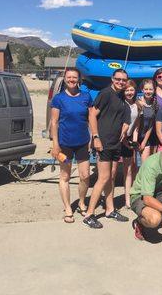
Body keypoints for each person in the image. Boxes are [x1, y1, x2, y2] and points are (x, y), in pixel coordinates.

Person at [83, 69, 131, 229]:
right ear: (112, 79)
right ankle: (89, 214)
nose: (121, 82)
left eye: (124, 80)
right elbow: (91, 114)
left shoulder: (121, 97)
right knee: (103, 178)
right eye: (118, 79)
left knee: (110, 177)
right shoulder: (106, 93)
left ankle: (110, 209)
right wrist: (95, 137)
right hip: (103, 142)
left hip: (115, 144)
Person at [50, 67, 93, 223]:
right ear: (65, 79)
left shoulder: (86, 97)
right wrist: (55, 144)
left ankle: (81, 201)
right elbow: (54, 122)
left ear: (79, 79)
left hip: (82, 143)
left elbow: (91, 119)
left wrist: (93, 137)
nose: (72, 80)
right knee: (65, 176)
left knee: (85, 175)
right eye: (69, 77)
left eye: (75, 77)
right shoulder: (59, 99)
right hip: (65, 145)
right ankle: (68, 208)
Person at [111, 79, 140, 210]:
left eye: (131, 90)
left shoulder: (137, 105)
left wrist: (133, 142)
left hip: (128, 139)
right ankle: (109, 199)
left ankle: (127, 198)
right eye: (127, 90)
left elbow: (136, 125)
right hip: (117, 139)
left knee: (128, 171)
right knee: (113, 171)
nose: (129, 92)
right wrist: (123, 141)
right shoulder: (120, 103)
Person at [137, 79, 159, 161]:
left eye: (150, 89)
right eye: (146, 89)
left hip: (147, 137)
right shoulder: (137, 102)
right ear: (142, 90)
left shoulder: (155, 104)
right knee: (132, 165)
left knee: (147, 164)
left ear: (154, 90)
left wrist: (144, 141)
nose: (148, 91)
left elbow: (151, 125)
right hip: (135, 136)